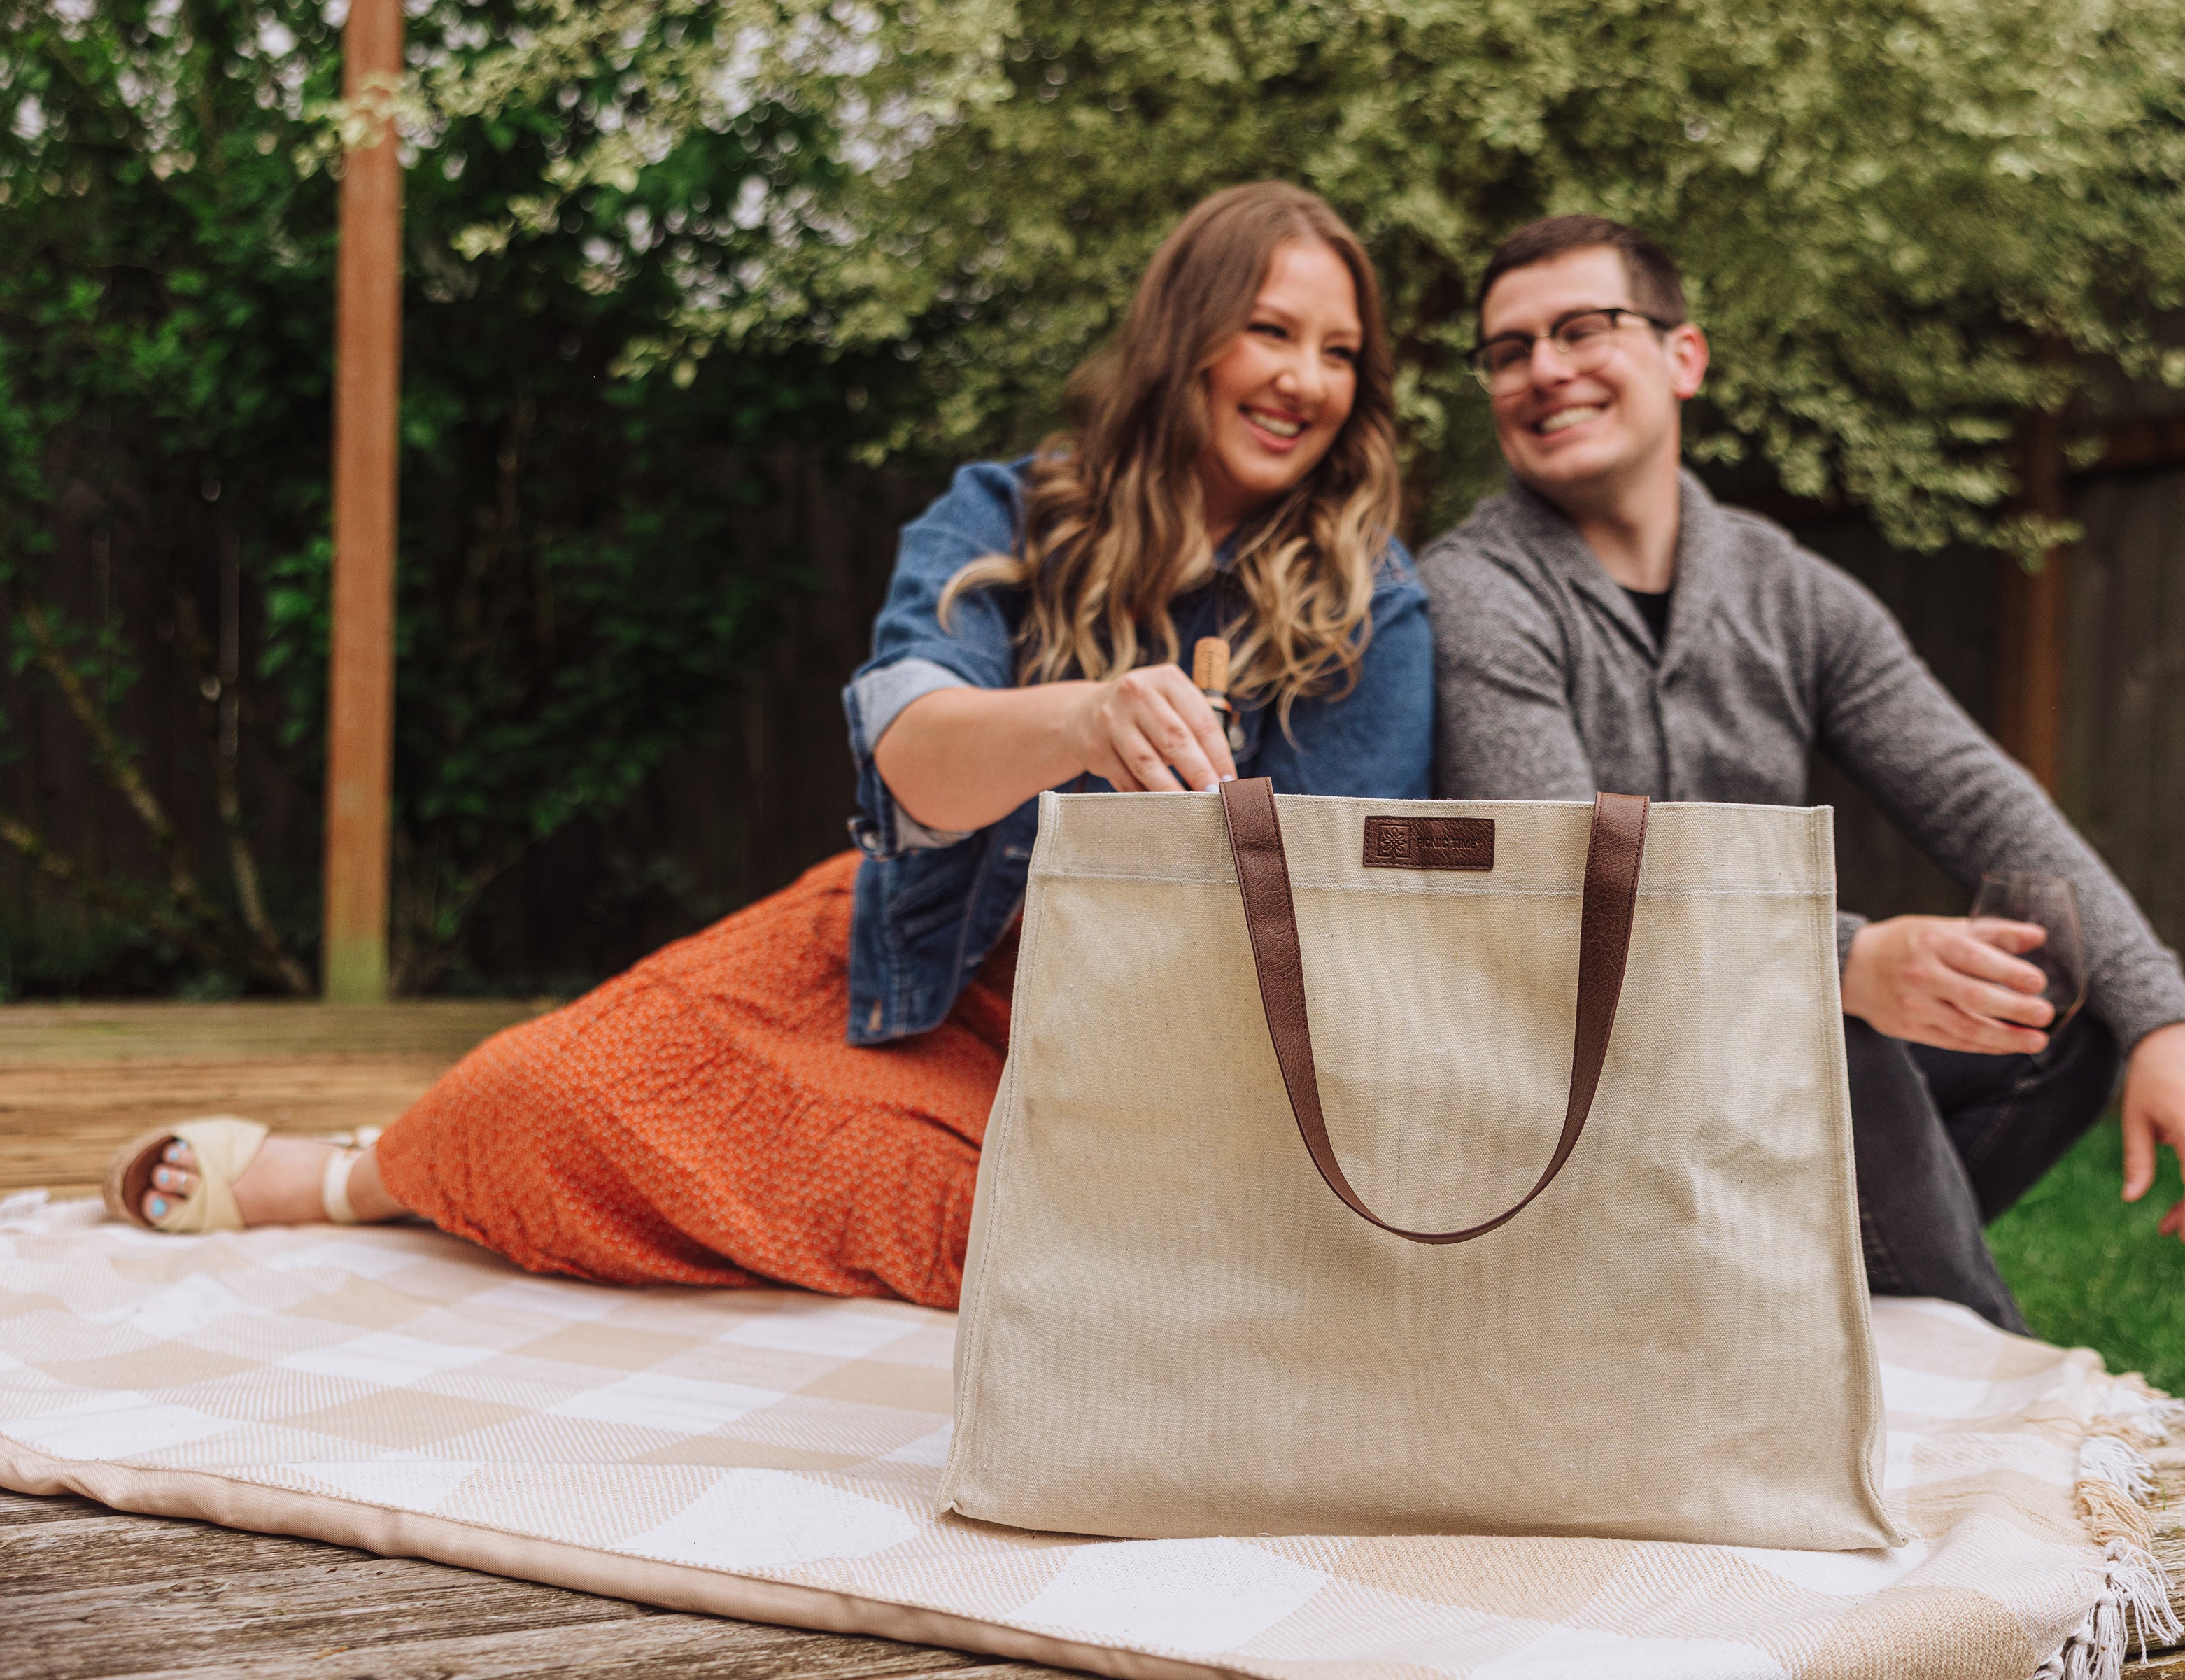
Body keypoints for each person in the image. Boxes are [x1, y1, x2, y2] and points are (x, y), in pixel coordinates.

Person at [106, 181, 1434, 1309]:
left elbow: (1343, 923)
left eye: (1337, 354)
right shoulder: (1004, 518)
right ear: (1184, 340)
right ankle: (349, 1181)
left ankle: (533, 1185)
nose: (1304, 382)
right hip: (916, 964)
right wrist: (1083, 714)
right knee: (552, 1087)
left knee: (1081, 1261)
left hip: (1151, 1064)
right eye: (1270, 332)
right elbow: (914, 757)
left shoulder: (1375, 596)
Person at [1421, 214, 2185, 1334]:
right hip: (1560, 1085)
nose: (1543, 371)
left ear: (1684, 356)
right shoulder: (1477, 592)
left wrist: (2168, 1023)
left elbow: (1980, 797)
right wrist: (1844, 961)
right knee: (1828, 1033)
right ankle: (1973, 1358)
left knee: (2055, 994)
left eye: (1581, 329)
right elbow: (1566, 882)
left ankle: (1771, 1308)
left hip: (1749, 1083)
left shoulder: (1787, 591)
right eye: (1508, 351)